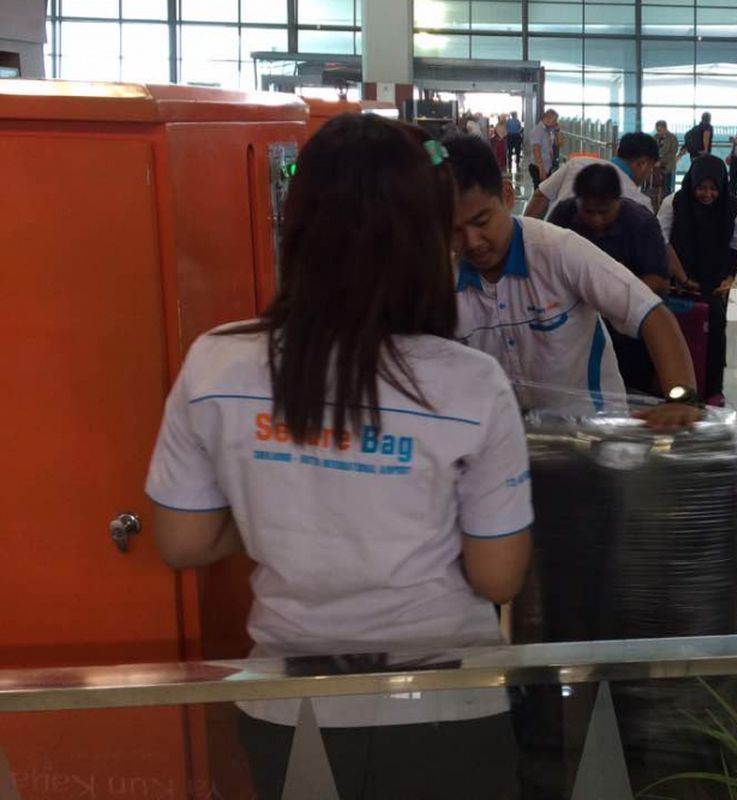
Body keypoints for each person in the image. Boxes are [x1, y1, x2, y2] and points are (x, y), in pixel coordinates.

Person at [145, 115, 531, 799]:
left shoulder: (218, 361)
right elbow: (497, 576)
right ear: (427, 235)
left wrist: (277, 494)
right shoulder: (468, 383)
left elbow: (181, 538)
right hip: (445, 709)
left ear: (296, 226)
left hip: (287, 708)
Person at [443, 134, 703, 427]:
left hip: (594, 437)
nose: (472, 242)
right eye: (453, 230)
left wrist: (681, 398)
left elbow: (652, 314)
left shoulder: (557, 250)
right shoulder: (441, 281)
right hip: (504, 442)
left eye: (481, 222)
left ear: (506, 195)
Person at [547, 164, 671, 395]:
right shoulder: (564, 216)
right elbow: (544, 268)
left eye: (603, 211)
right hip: (575, 329)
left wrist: (610, 300)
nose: (596, 219)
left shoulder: (640, 223)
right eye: (588, 211)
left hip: (627, 331)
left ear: (618, 201)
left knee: (630, 394)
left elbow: (659, 280)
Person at [658, 155, 737, 406]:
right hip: (678, 281)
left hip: (714, 284)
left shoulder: (733, 207)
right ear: (691, 183)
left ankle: (711, 390)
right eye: (701, 187)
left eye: (713, 188)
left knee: (714, 335)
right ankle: (673, 386)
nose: (707, 194)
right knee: (675, 334)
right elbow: (661, 240)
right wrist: (682, 277)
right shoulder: (674, 202)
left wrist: (729, 277)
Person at [523, 132, 658, 219]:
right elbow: (658, 246)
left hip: (550, 250)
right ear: (643, 164)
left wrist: (524, 239)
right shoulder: (640, 203)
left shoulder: (577, 164)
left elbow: (540, 195)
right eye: (651, 168)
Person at [528, 108, 559, 190]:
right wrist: (541, 169)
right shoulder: (538, 130)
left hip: (547, 165)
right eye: (554, 120)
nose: (555, 122)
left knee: (544, 192)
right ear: (548, 118)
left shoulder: (549, 130)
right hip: (538, 167)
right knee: (540, 193)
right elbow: (536, 150)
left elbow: (559, 143)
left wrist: (558, 131)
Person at [655, 120, 680, 196]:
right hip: (656, 167)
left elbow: (673, 152)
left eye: (660, 130)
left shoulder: (672, 138)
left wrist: (662, 161)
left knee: (668, 188)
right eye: (657, 130)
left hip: (668, 166)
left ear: (665, 128)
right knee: (657, 187)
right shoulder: (655, 137)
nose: (658, 132)